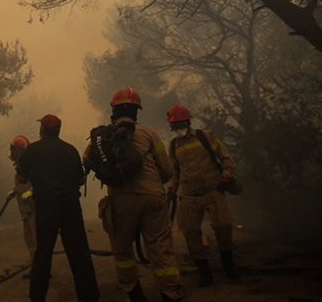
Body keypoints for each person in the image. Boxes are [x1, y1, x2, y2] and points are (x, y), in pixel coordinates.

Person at [83, 87, 183, 302]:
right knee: (160, 249)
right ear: (136, 111)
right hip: (153, 198)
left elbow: (88, 163)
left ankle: (134, 293)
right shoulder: (149, 133)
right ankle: (170, 294)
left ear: (114, 110)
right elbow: (167, 170)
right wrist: (154, 183)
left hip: (120, 200)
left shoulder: (101, 137)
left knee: (122, 251)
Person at [16, 114, 100, 302]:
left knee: (43, 253)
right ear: (58, 130)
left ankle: (37, 296)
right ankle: (89, 296)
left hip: (46, 205)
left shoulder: (33, 150)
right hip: (70, 204)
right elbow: (80, 180)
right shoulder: (69, 149)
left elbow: (21, 178)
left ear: (42, 130)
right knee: (79, 251)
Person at [166, 104, 240, 286]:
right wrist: (171, 188)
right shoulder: (174, 145)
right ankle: (204, 271)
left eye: (180, 124)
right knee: (190, 232)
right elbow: (174, 170)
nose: (178, 129)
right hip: (189, 195)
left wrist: (226, 176)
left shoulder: (204, 136)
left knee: (223, 226)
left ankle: (227, 262)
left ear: (188, 122)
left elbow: (226, 158)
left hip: (213, 189)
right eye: (174, 127)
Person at [6, 135, 38, 279]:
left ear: (19, 150)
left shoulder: (31, 165)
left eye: (13, 149)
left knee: (36, 240)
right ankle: (35, 267)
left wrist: (30, 193)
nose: (11, 153)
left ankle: (40, 270)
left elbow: (39, 183)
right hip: (25, 211)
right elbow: (21, 184)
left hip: (34, 209)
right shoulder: (20, 166)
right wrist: (14, 191)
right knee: (30, 241)